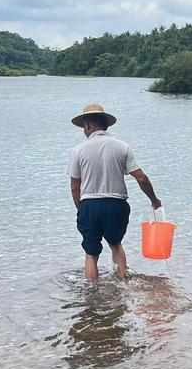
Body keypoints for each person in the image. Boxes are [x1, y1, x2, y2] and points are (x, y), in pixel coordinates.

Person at [67, 104, 162, 279]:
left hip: (90, 205)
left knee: (91, 254)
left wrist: (81, 209)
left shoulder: (78, 150)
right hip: (116, 205)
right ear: (106, 125)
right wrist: (154, 200)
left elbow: (74, 187)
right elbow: (141, 178)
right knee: (116, 245)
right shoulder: (122, 147)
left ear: (87, 125)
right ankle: (125, 284)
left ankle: (92, 296)